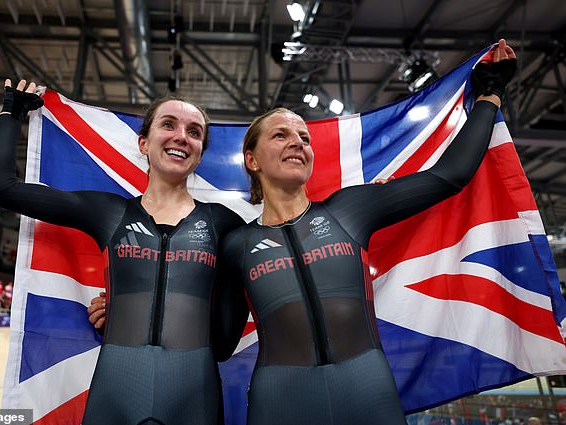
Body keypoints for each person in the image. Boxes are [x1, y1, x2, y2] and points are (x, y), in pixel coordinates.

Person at [217, 39, 516, 425]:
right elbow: (221, 344)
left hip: (366, 388)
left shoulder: (350, 209)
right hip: (280, 398)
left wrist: (490, 96)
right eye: (281, 135)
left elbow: (449, 176)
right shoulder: (237, 245)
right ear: (252, 159)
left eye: (304, 138)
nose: (297, 142)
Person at [0, 81, 247, 425]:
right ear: (143, 143)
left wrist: (149, 308)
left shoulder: (223, 224)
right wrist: (11, 112)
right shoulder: (109, 213)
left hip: (195, 393)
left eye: (194, 132)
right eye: (168, 125)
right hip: (116, 390)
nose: (181, 136)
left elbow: (224, 343)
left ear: (200, 152)